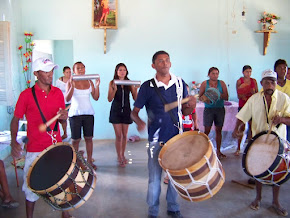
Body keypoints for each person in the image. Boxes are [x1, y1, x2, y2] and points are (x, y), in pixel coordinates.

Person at [131, 51, 196, 218]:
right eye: (160, 61)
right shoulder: (147, 87)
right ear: (153, 65)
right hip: (155, 141)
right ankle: (152, 211)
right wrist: (140, 122)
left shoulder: (180, 84)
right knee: (154, 180)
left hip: (176, 139)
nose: (165, 63)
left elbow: (185, 111)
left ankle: (173, 208)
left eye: (167, 60)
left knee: (174, 178)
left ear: (170, 63)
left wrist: (191, 105)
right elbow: (134, 112)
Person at [10, 58, 70, 218]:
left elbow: (62, 118)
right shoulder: (26, 95)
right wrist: (13, 141)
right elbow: (15, 119)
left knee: (61, 182)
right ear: (36, 73)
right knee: (31, 186)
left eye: (51, 70)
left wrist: (64, 117)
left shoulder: (58, 93)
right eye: (46, 71)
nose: (50, 74)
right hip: (35, 148)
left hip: (55, 147)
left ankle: (65, 213)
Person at [232, 69, 290, 217]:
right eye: (267, 82)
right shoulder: (254, 99)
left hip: (278, 143)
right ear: (261, 83)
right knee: (258, 171)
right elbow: (242, 116)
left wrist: (282, 120)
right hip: (258, 142)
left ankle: (275, 202)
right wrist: (236, 128)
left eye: (273, 82)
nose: (270, 85)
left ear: (276, 83)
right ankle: (258, 198)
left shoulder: (284, 98)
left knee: (277, 172)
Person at [65, 61, 100, 170]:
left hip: (88, 113)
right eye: (78, 68)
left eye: (82, 68)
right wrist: (72, 86)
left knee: (89, 138)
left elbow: (96, 97)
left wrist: (97, 86)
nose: (80, 70)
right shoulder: (70, 82)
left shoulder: (89, 81)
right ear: (74, 71)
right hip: (75, 114)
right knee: (75, 140)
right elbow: (67, 99)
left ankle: (89, 161)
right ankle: (75, 163)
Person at [108, 63, 138, 167]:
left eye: (124, 70)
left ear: (126, 71)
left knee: (125, 135)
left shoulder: (129, 83)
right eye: (120, 70)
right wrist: (115, 90)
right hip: (115, 111)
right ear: (116, 71)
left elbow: (135, 98)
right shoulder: (112, 82)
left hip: (126, 110)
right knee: (119, 135)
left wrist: (136, 88)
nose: (122, 72)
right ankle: (119, 156)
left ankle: (123, 154)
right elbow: (109, 99)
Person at [199, 67, 229, 159]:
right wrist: (206, 98)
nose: (215, 75)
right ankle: (202, 152)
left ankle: (218, 151)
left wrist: (216, 94)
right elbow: (200, 97)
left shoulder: (222, 83)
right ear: (209, 74)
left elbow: (226, 96)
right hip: (209, 109)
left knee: (218, 130)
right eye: (213, 73)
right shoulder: (205, 83)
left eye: (217, 73)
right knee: (206, 131)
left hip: (219, 109)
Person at [235, 65, 258, 156]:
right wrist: (246, 91)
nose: (249, 73)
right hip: (243, 106)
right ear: (243, 72)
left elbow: (257, 94)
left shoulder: (254, 81)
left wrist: (252, 92)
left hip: (252, 106)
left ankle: (250, 147)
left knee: (252, 127)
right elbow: (239, 95)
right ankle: (238, 148)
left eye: (250, 72)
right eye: (247, 72)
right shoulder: (239, 81)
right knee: (241, 127)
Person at [274, 59, 290, 142]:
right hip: (275, 118)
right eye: (280, 68)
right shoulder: (272, 85)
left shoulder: (289, 84)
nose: (283, 70)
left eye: (285, 68)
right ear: (275, 70)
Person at [55, 66, 72, 140]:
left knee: (72, 118)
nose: (69, 74)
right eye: (67, 72)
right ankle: (65, 133)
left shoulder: (73, 80)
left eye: (70, 72)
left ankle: (74, 134)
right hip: (62, 102)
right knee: (62, 119)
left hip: (71, 102)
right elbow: (55, 91)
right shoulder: (59, 81)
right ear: (64, 73)